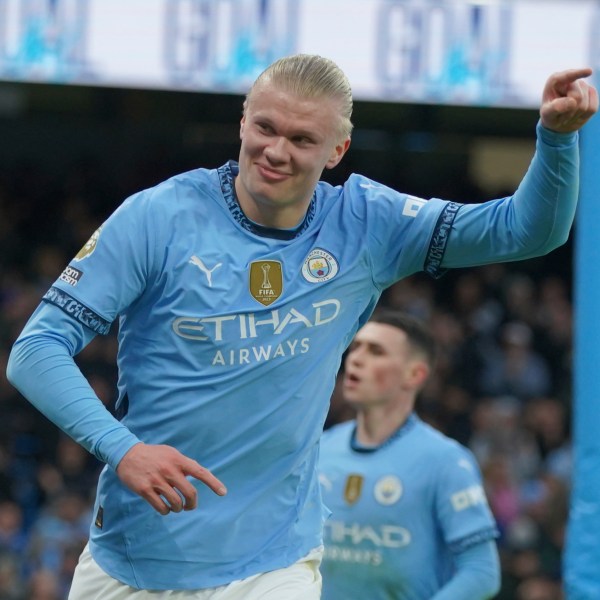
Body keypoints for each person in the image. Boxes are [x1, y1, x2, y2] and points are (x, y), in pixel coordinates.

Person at [5, 53, 597, 599]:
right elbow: (35, 349)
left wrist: (557, 139)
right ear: (242, 121)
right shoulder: (159, 217)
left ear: (337, 150)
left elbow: (528, 231)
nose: (276, 151)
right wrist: (124, 450)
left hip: (274, 564)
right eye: (264, 128)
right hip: (138, 559)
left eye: (301, 138)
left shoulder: (368, 222)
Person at [318, 309, 501, 599]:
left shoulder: (445, 460)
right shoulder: (321, 449)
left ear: (415, 374)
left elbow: (481, 572)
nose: (356, 358)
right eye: (356, 347)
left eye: (376, 351)